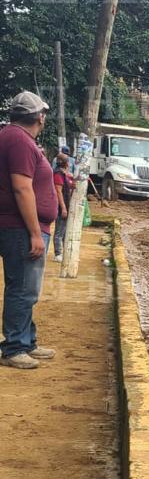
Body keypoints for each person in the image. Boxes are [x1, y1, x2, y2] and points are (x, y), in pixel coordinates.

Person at [0, 91, 56, 369]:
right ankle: (14, 347)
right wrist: (35, 232)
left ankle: (26, 340)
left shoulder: (16, 138)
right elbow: (22, 188)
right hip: (21, 229)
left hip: (20, 227)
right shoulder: (19, 141)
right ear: (39, 117)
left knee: (24, 287)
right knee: (23, 289)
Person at [52, 152, 74, 262]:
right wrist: (63, 208)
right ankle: (57, 253)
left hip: (66, 204)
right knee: (59, 231)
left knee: (65, 230)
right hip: (61, 206)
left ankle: (65, 252)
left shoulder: (63, 173)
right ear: (66, 163)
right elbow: (58, 191)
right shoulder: (58, 174)